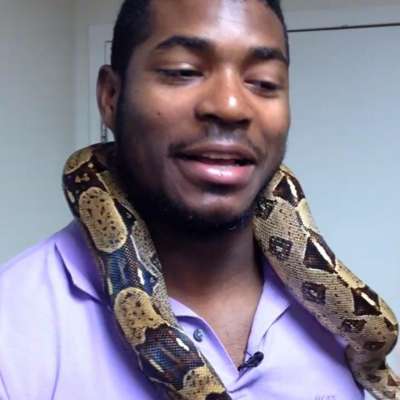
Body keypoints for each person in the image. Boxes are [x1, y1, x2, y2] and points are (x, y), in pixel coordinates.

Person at [0, 0, 380, 398]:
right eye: (184, 72)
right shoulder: (16, 328)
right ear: (111, 97)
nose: (231, 106)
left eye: (265, 82)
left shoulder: (350, 333)